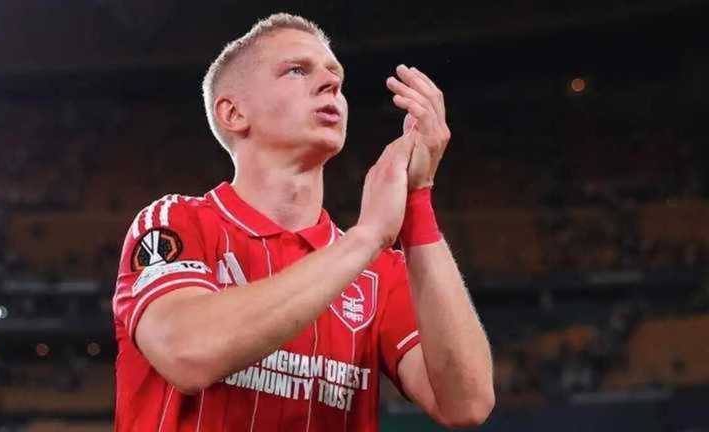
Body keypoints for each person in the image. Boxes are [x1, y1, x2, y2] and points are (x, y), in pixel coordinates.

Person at [112, 13, 494, 431]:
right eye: (297, 70)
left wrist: (417, 197)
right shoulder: (175, 222)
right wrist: (366, 237)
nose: (331, 83)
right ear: (233, 113)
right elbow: (187, 353)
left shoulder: (380, 273)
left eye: (336, 77)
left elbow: (466, 403)